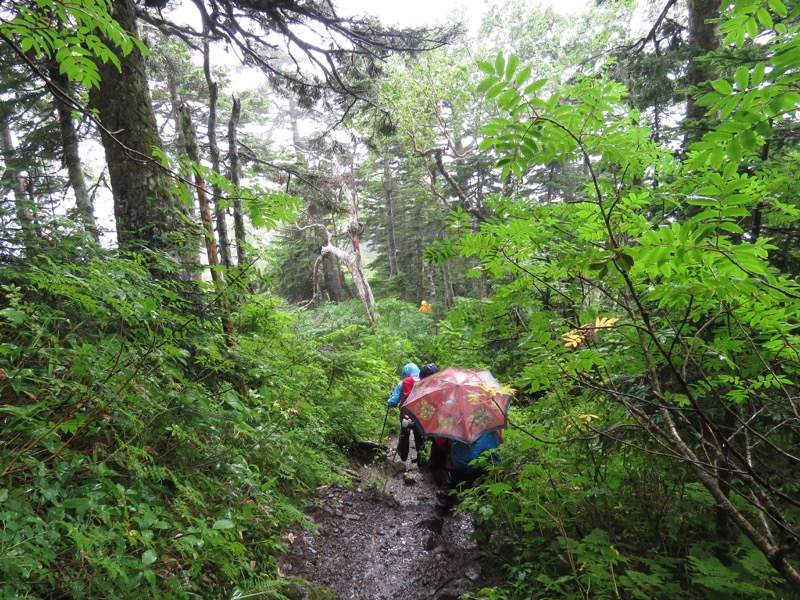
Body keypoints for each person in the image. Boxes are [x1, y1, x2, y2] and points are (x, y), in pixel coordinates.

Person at [425, 429, 504, 532]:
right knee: (483, 498)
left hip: (459, 467)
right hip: (485, 466)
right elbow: (500, 442)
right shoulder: (490, 421)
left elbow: (441, 441)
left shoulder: (455, 421)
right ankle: (482, 533)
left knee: (449, 487)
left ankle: (438, 516)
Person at [386, 362, 424, 462]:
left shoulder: (402, 383)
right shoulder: (424, 382)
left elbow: (393, 402)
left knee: (404, 435)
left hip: (405, 414)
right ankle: (421, 460)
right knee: (419, 437)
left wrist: (389, 400)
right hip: (419, 415)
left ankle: (403, 457)